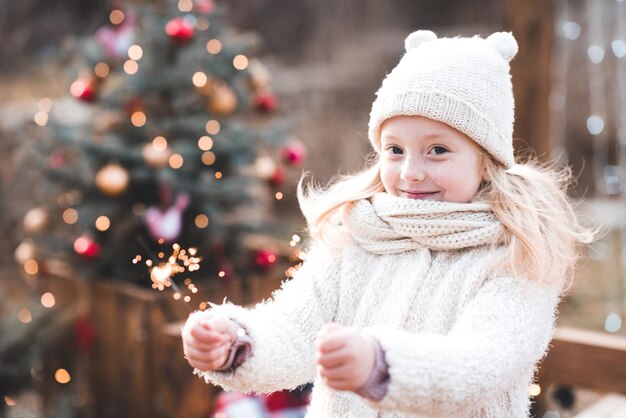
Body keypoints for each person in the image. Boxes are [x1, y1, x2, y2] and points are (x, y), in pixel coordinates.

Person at [181, 29, 594, 417]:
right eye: (395, 149)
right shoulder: (357, 236)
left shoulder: (515, 256)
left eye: (437, 150)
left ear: (486, 162)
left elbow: (483, 364)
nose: (410, 172)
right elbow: (294, 329)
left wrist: (379, 363)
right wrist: (235, 345)